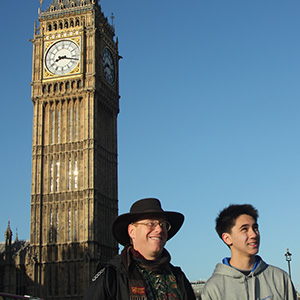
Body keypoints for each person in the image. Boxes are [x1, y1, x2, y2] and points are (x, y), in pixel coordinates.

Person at [84, 197, 196, 300]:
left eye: (163, 224)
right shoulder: (111, 276)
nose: (159, 229)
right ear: (132, 231)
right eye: (151, 223)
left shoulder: (178, 277)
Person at [200, 204, 297, 300]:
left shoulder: (279, 278)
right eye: (244, 229)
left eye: (255, 228)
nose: (253, 234)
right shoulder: (213, 288)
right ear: (227, 238)